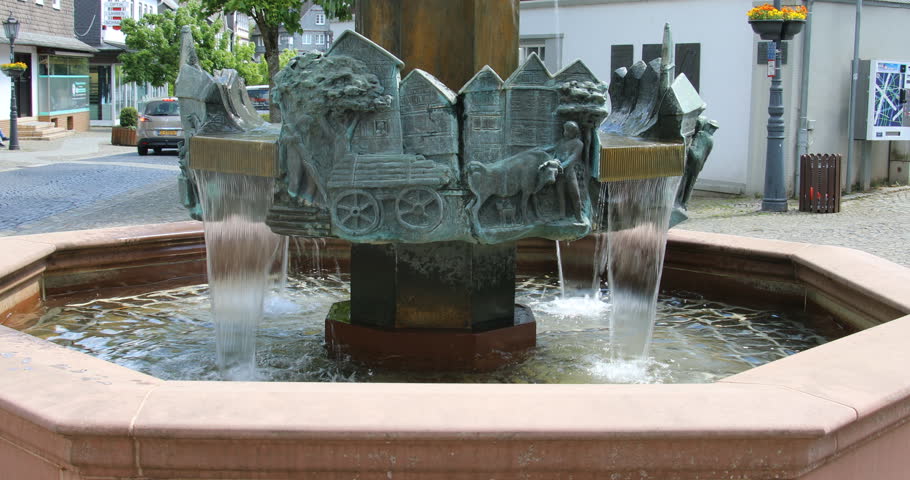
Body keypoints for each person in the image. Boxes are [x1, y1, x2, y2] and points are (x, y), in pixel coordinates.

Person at [554, 121, 585, 222]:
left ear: (573, 132)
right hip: (559, 173)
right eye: (564, 130)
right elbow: (555, 151)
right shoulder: (562, 141)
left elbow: (573, 157)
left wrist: (563, 165)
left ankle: (578, 216)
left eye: (567, 130)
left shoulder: (578, 144)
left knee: (575, 195)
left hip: (569, 173)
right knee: (560, 194)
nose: (565, 132)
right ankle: (561, 214)